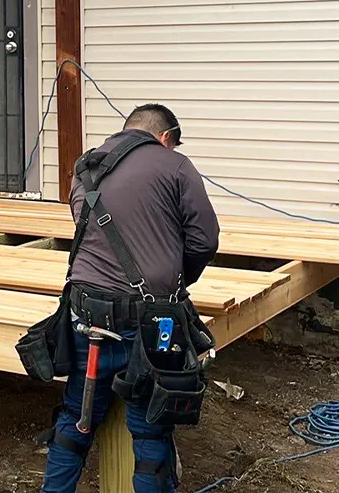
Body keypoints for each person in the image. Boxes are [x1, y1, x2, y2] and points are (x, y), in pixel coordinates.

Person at [41, 103, 220, 492]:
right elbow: (204, 240)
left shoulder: (86, 166)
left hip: (85, 312)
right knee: (151, 429)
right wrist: (173, 284)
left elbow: (87, 227)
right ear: (165, 137)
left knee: (76, 419)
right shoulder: (175, 165)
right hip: (150, 321)